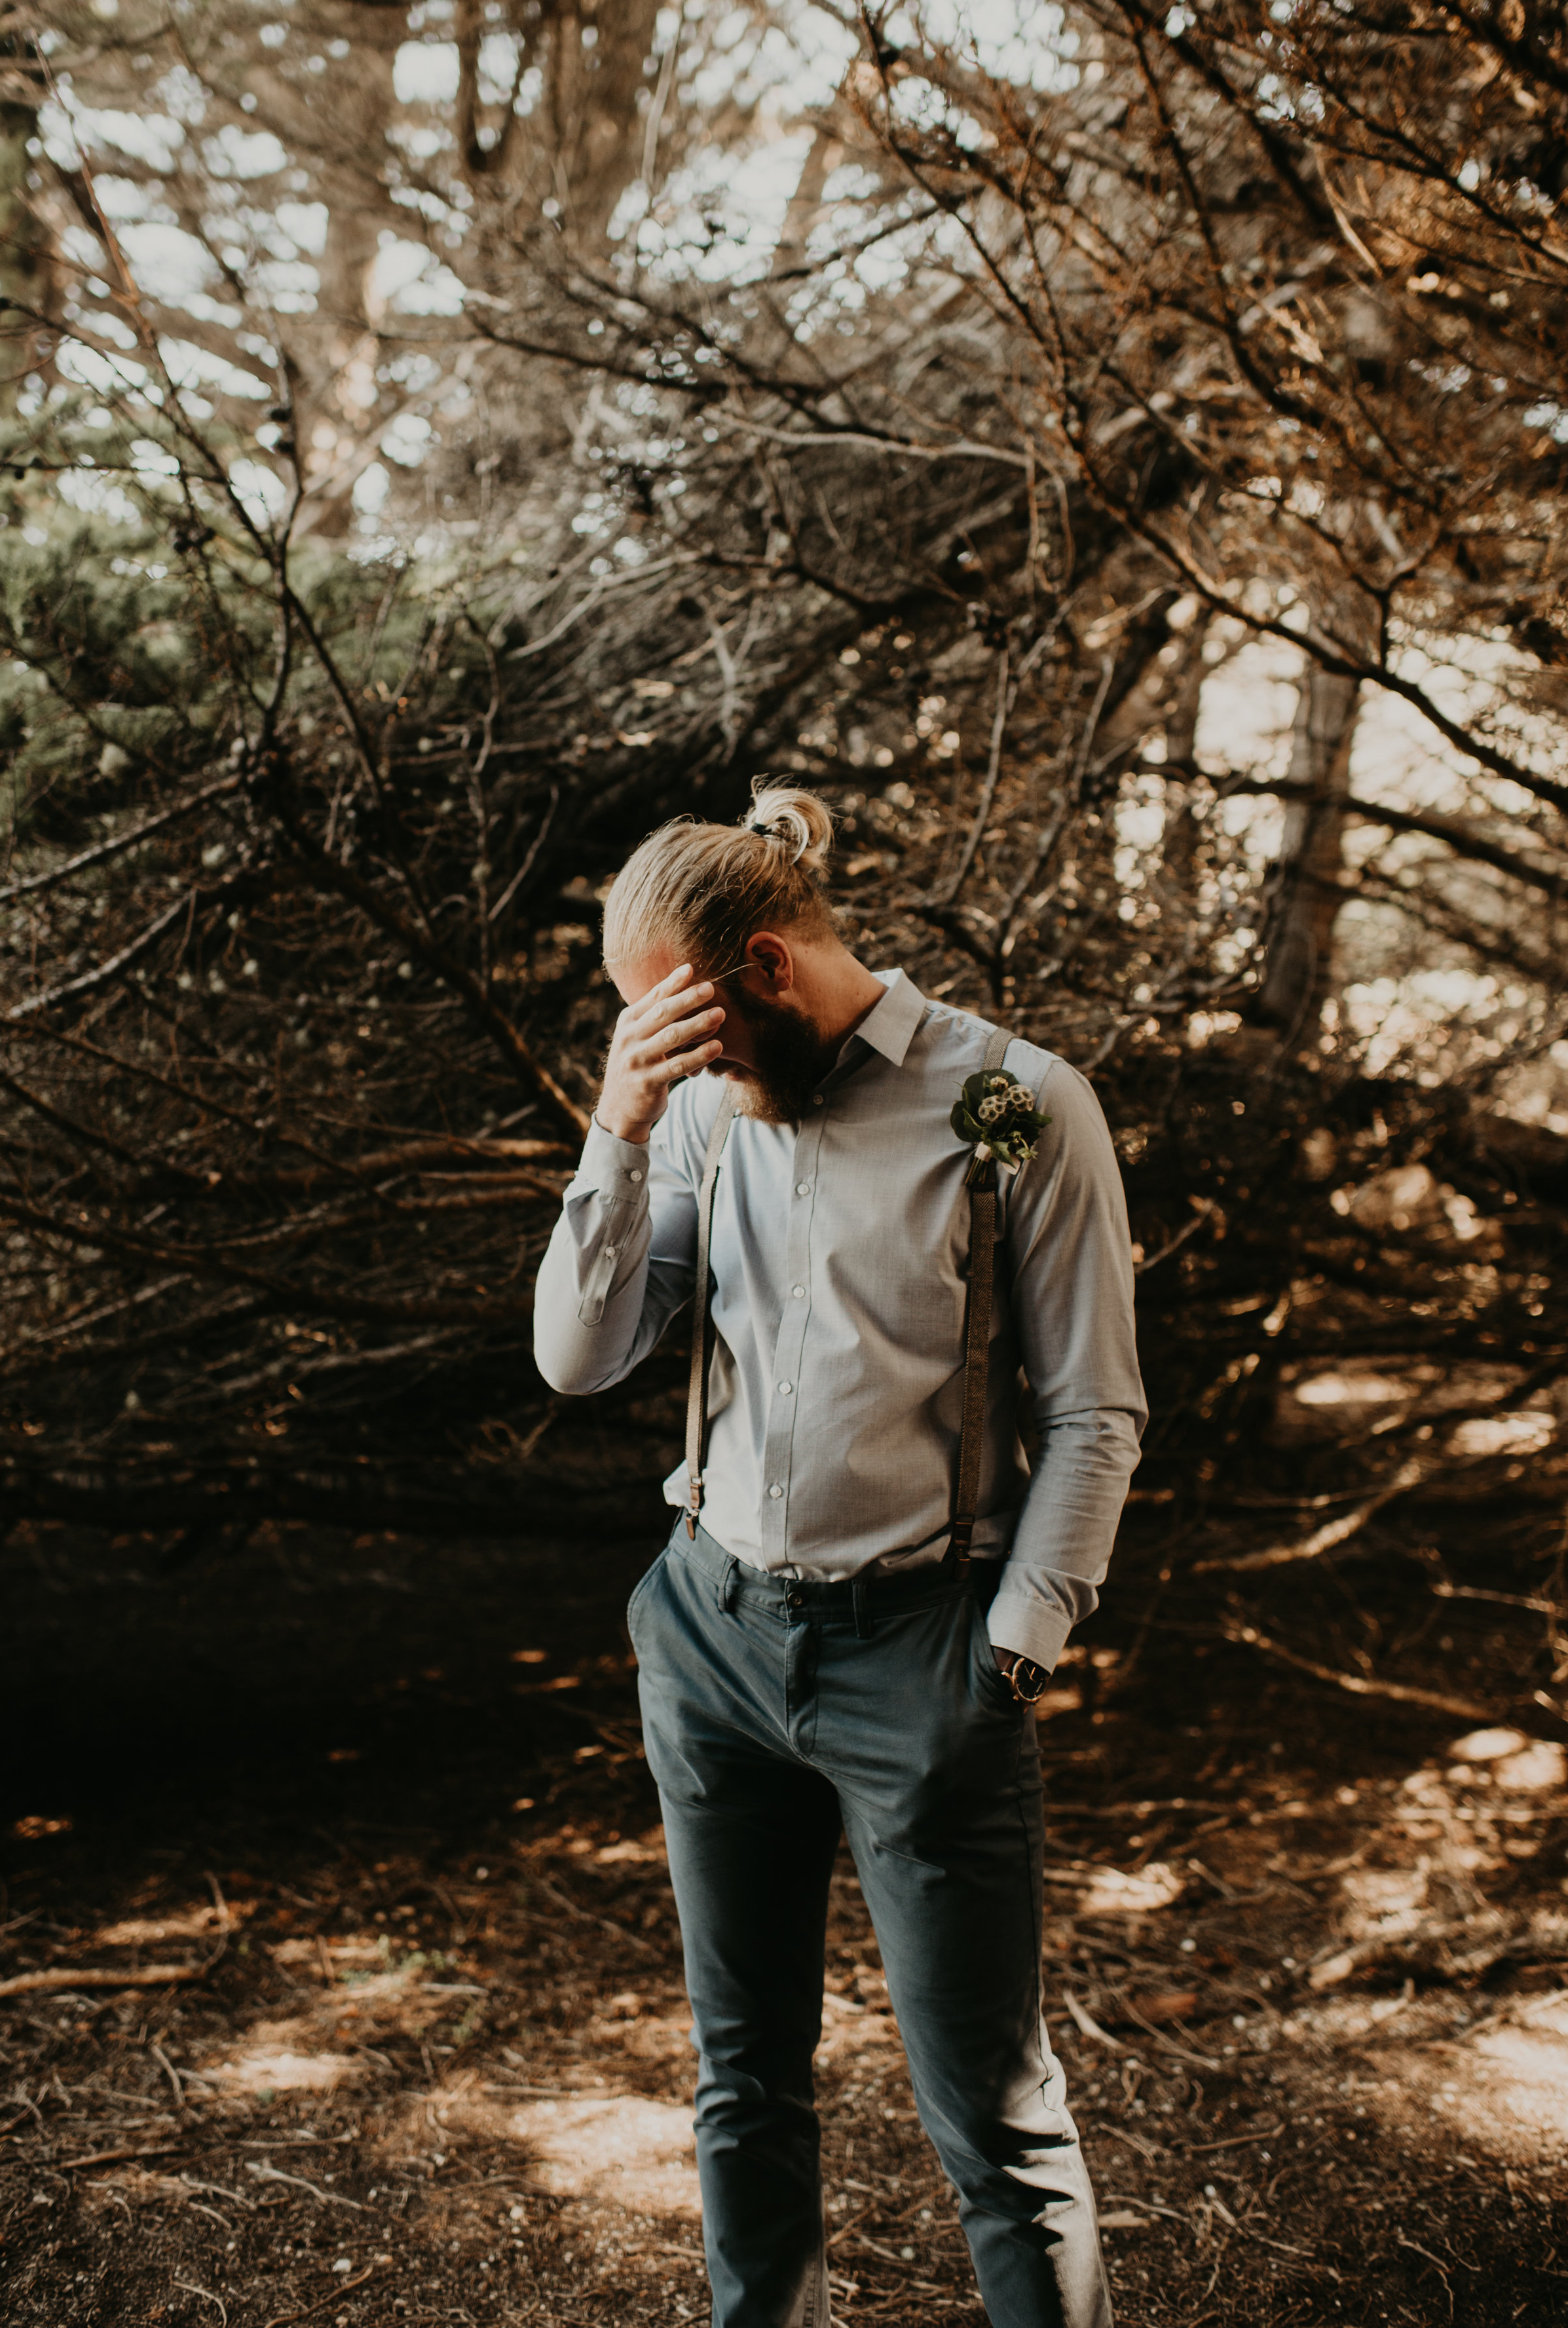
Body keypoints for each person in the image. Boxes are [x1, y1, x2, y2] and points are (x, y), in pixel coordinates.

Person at [533, 781, 1146, 2328]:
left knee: (996, 2126)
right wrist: (617, 1123)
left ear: (767, 971)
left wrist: (1008, 1651)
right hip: (711, 1642)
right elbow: (578, 1356)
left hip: (925, 1660)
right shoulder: (688, 1104)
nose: (695, 1072)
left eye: (698, 1036)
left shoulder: (1010, 1103)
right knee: (740, 2082)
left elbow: (1092, 1412)